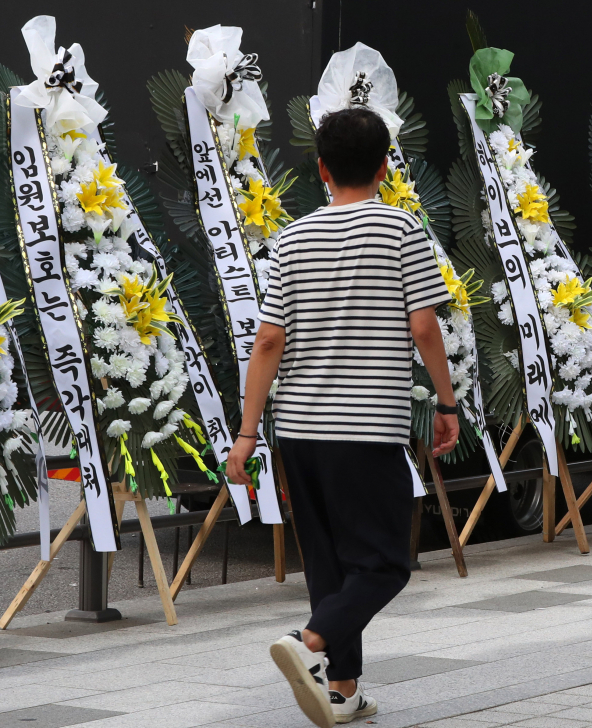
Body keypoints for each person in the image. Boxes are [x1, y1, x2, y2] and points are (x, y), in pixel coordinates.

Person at [225, 106, 459, 727]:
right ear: (385, 166)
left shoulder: (292, 239)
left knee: (331, 564)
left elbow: (269, 341)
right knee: (383, 562)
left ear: (321, 169)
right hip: (365, 427)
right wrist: (446, 401)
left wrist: (247, 433)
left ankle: (343, 691)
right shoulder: (401, 230)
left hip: (298, 430)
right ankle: (308, 644)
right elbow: (424, 327)